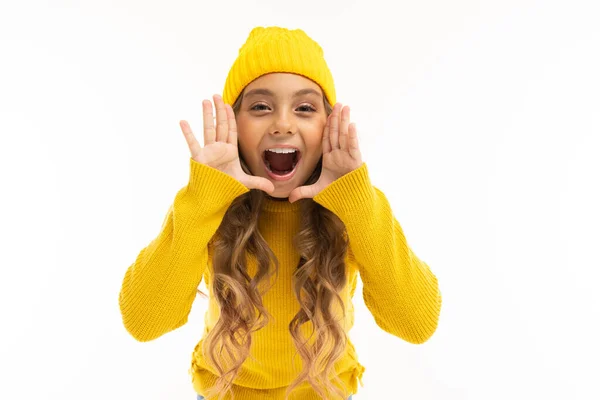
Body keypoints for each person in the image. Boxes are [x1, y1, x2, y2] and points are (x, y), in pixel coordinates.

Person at [118, 26, 442, 400]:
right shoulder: (208, 205)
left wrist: (359, 202)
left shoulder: (354, 207)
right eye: (260, 107)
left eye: (305, 108)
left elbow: (417, 324)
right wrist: (204, 198)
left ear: (328, 126)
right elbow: (143, 322)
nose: (283, 124)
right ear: (234, 125)